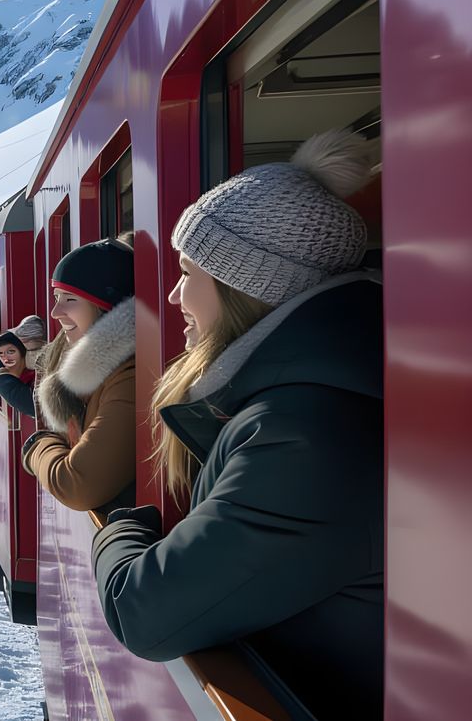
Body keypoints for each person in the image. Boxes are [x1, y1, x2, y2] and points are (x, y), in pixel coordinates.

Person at [93, 131, 382, 719]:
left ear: (246, 285)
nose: (174, 296)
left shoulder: (297, 433)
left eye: (187, 274)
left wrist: (119, 527)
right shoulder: (309, 402)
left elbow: (141, 612)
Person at [20, 236, 136, 512]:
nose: (55, 311)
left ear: (105, 307)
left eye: (70, 299)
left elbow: (77, 485)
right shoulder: (85, 367)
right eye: (56, 298)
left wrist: (37, 446)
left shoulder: (129, 376)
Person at [0, 330, 36, 415]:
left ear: (21, 351)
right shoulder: (6, 379)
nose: (6, 358)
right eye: (1, 354)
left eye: (10, 352)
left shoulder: (33, 369)